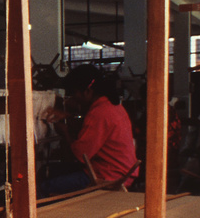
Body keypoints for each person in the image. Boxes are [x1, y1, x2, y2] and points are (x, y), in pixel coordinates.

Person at [40, 64, 137, 197]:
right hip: (120, 170)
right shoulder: (112, 106)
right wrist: (69, 116)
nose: (74, 98)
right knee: (48, 171)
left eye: (74, 93)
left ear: (87, 91)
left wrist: (65, 132)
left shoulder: (99, 113)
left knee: (43, 187)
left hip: (109, 175)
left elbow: (80, 155)